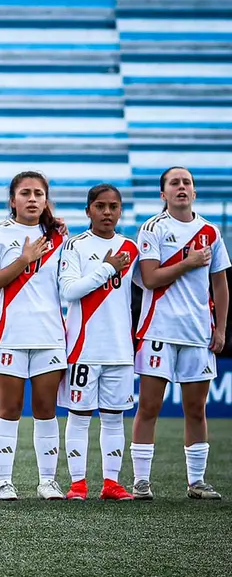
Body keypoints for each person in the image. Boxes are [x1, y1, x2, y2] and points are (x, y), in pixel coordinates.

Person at [130, 166, 229, 500]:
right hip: (159, 329)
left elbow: (220, 284)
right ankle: (141, 481)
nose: (182, 187)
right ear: (164, 194)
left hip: (198, 333)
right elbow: (151, 278)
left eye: (187, 182)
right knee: (149, 407)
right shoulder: (152, 229)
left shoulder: (210, 232)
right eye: (175, 183)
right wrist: (187, 262)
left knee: (196, 409)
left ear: (194, 192)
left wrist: (221, 329)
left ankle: (196, 481)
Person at [0, 171, 67, 500]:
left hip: (50, 335)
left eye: (38, 193)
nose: (32, 199)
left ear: (46, 200)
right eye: (25, 193)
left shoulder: (59, 238)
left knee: (46, 410)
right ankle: (4, 482)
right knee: (10, 409)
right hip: (10, 334)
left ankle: (47, 481)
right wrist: (25, 259)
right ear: (12, 199)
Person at [58, 183, 137, 501]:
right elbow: (70, 291)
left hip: (119, 348)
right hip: (84, 347)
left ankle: (112, 483)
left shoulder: (130, 247)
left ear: (120, 210)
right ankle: (78, 484)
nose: (107, 212)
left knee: (114, 417)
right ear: (88, 210)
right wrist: (108, 267)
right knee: (79, 415)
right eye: (101, 206)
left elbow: (150, 283)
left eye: (113, 207)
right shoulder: (76, 245)